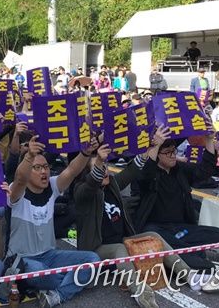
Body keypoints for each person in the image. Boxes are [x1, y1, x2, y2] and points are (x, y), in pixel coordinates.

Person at [74, 127, 194, 308]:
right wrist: (98, 159)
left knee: (154, 236)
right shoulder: (82, 193)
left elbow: (132, 171)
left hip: (122, 240)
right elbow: (91, 184)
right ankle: (139, 290)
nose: (105, 172)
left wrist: (149, 149)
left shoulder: (112, 184)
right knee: (118, 249)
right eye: (99, 169)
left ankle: (189, 275)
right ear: (89, 173)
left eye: (105, 167)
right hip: (96, 249)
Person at [133, 134, 219, 291]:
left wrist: (210, 139)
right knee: (158, 238)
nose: (173, 156)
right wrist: (155, 145)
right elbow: (146, 172)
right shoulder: (149, 175)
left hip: (181, 229)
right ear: (158, 155)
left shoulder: (180, 170)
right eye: (168, 152)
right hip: (155, 228)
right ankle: (203, 261)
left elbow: (205, 170)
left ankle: (179, 253)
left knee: (216, 234)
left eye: (174, 151)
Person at [6, 136, 100, 308]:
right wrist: (28, 156)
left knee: (93, 261)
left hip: (50, 255)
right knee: (43, 274)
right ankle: (63, 282)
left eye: (46, 167)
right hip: (23, 259)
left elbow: (72, 170)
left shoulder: (52, 186)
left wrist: (86, 152)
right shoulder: (16, 191)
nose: (44, 172)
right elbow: (20, 179)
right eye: (37, 168)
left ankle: (56, 294)